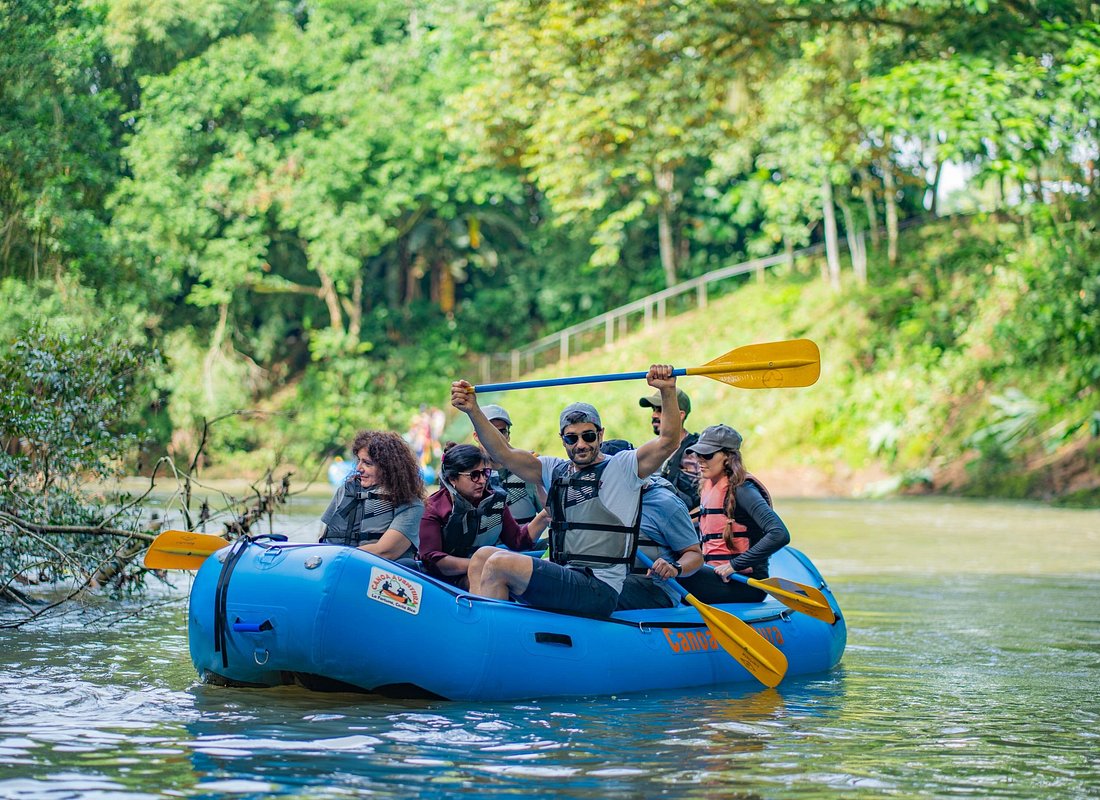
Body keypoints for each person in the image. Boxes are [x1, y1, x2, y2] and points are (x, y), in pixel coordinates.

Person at [452, 365, 683, 617]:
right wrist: (473, 411)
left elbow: (668, 441)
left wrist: (667, 391)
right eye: (572, 438)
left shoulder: (624, 467)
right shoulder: (554, 469)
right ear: (562, 439)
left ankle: (492, 637)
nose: (581, 444)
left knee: (499, 563)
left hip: (600, 587)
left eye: (588, 436)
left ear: (601, 435)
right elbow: (502, 453)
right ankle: (487, 632)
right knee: (483, 556)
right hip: (567, 574)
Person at [676, 424, 790, 603]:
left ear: (728, 457)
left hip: (744, 583)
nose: (700, 460)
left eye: (707, 455)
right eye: (698, 454)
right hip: (715, 575)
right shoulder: (709, 486)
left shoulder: (743, 490)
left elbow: (779, 534)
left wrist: (733, 565)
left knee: (678, 574)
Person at [417, 442, 549, 588]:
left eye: (484, 473)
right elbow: (432, 559)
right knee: (485, 579)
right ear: (452, 479)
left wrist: (545, 516)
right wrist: (481, 564)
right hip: (446, 584)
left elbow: (517, 540)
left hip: (489, 570)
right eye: (474, 475)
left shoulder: (495, 501)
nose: (482, 480)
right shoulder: (432, 508)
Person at [598, 440, 704, 611]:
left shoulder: (666, 504)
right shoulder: (598, 499)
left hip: (655, 588)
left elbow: (695, 556)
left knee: (598, 590)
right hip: (609, 577)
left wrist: (674, 568)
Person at [319, 430, 425, 560]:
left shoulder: (412, 505)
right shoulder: (346, 491)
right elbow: (322, 537)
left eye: (367, 463)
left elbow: (385, 551)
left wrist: (336, 558)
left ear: (388, 468)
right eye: (359, 460)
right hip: (338, 565)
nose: (358, 468)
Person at [475, 404, 546, 527]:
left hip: (524, 545)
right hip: (483, 545)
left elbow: (551, 514)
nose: (495, 437)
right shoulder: (467, 473)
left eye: (501, 431)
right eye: (489, 431)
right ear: (476, 436)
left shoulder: (526, 469)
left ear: (508, 435)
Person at [639, 388, 701, 514]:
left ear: (681, 415)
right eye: (653, 410)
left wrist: (681, 523)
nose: (654, 415)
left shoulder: (697, 453)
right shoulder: (649, 451)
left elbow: (711, 500)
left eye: (660, 410)